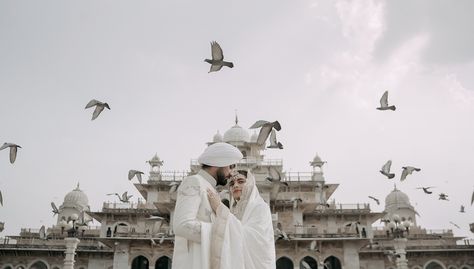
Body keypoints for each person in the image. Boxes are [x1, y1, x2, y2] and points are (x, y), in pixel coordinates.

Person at [172, 142, 243, 269]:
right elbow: (181, 225)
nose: (232, 173)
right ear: (218, 163)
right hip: (193, 262)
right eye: (230, 166)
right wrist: (223, 233)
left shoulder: (210, 188)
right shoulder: (194, 182)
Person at [207, 170, 276, 269]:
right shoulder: (234, 211)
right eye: (231, 183)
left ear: (250, 184)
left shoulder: (260, 207)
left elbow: (255, 240)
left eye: (240, 181)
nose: (235, 185)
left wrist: (219, 208)